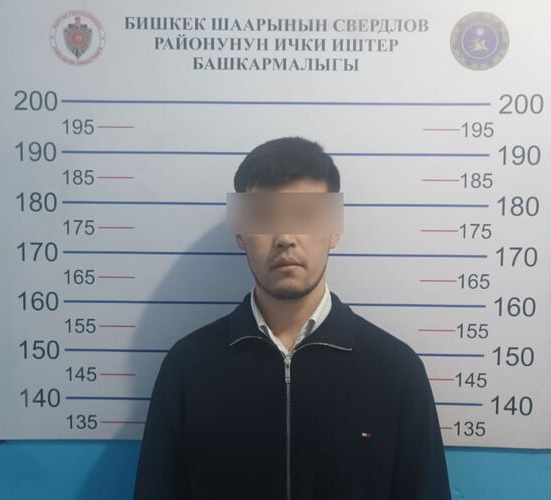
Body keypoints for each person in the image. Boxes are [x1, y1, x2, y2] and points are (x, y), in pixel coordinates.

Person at [133, 136, 451, 500]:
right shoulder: (188, 368)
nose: (285, 237)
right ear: (240, 234)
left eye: (305, 216)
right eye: (265, 217)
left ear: (335, 230)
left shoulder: (396, 370)